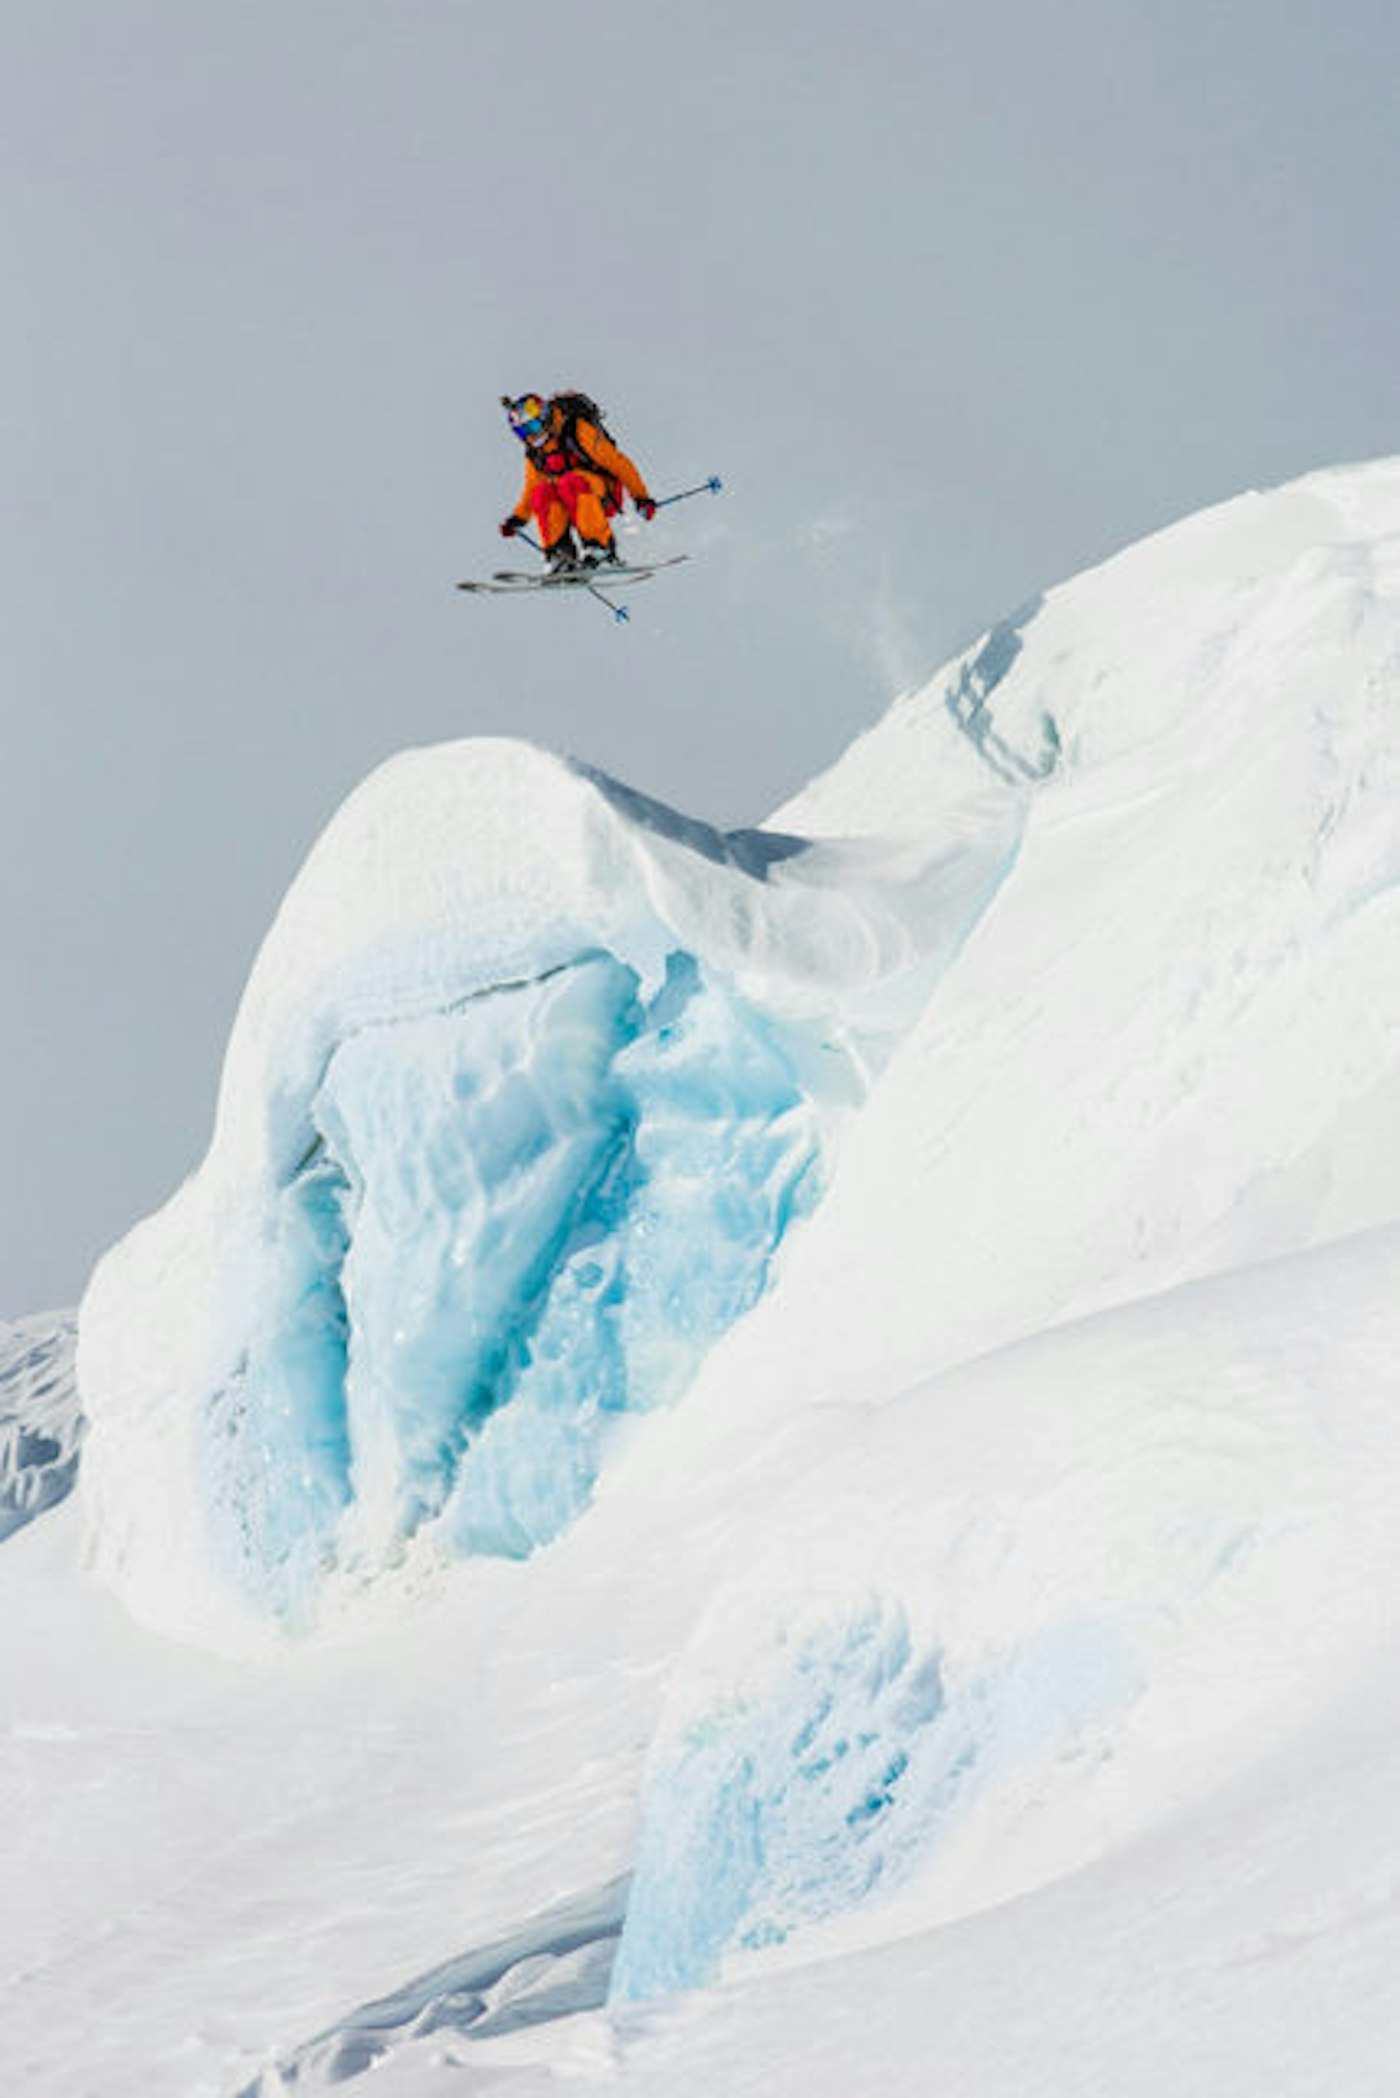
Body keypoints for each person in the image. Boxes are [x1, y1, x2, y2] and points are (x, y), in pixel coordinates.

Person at [499, 392, 657, 572]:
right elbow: (532, 487)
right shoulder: (536, 453)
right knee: (542, 492)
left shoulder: (576, 431)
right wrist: (518, 519)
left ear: (545, 418)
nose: (531, 436)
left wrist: (641, 497)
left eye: (533, 427)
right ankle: (560, 555)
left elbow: (618, 463)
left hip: (602, 494)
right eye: (522, 432)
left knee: (570, 481)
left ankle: (601, 548)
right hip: (570, 501)